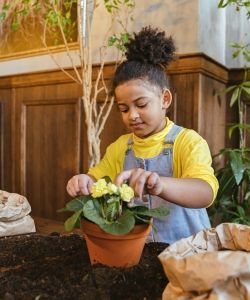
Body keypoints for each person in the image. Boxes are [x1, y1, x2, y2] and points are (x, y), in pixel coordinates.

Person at [66, 26, 219, 244]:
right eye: (124, 109)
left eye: (141, 104)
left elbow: (205, 192)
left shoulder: (188, 142)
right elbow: (97, 178)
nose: (133, 116)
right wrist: (84, 181)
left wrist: (160, 185)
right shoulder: (120, 147)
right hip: (139, 251)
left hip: (189, 251)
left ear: (165, 99)